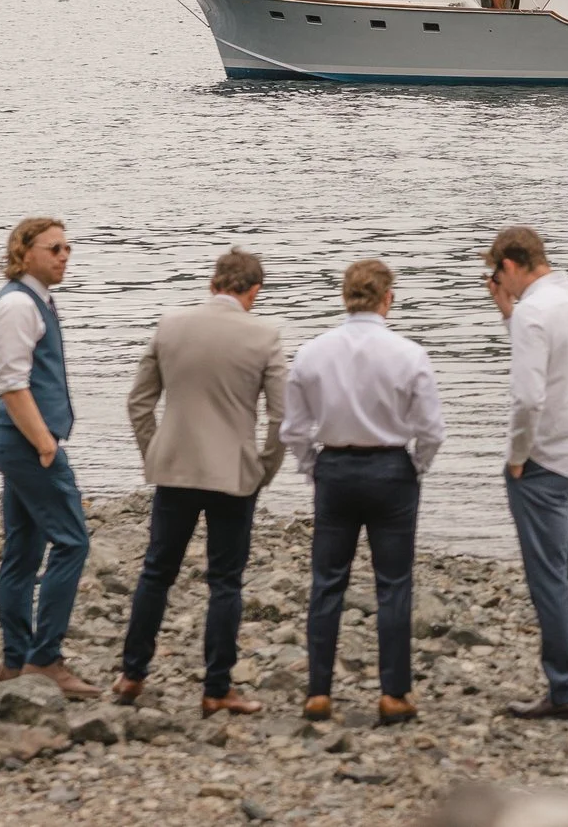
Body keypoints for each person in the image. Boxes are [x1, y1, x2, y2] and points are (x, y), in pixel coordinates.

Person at [114, 248, 288, 715]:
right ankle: (216, 687)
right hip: (234, 473)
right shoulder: (265, 336)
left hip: (175, 468)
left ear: (213, 285)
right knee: (225, 581)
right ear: (253, 291)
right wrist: (264, 468)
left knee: (157, 572)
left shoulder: (170, 326)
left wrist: (155, 452)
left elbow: (139, 403)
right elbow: (283, 417)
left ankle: (132, 675)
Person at [282, 258, 443, 726]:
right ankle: (393, 694)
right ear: (387, 299)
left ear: (344, 297)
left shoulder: (313, 352)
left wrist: (313, 466)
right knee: (393, 584)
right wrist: (416, 466)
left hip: (335, 465)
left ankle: (318, 692)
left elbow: (294, 429)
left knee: (327, 581)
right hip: (391, 468)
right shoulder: (409, 353)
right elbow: (431, 429)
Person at [485, 226, 568, 721]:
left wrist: (518, 456)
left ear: (511, 265)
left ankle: (564, 690)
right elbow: (564, 362)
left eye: (496, 273)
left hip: (545, 459)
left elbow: (528, 398)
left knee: (549, 578)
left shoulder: (534, 313)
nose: (496, 283)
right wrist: (507, 315)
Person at [0, 216, 96, 700]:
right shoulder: (16, 304)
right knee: (72, 542)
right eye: (54, 248)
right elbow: (11, 383)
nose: (64, 256)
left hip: (24, 443)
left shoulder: (38, 302)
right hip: (29, 444)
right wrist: (47, 444)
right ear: (24, 252)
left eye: (67, 248)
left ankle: (16, 660)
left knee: (25, 550)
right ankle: (45, 658)